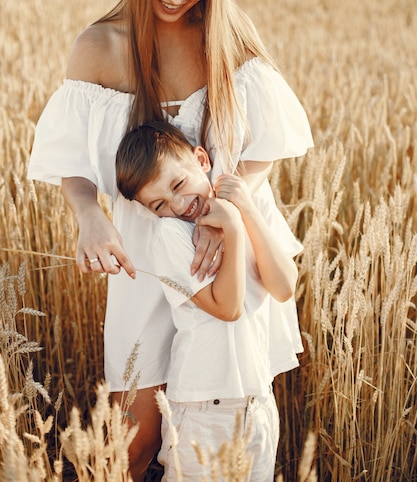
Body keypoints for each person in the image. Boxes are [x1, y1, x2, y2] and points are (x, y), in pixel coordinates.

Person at [27, 0, 313, 480]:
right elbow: (71, 161)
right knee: (131, 442)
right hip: (145, 259)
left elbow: (264, 149)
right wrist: (91, 214)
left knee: (222, 429)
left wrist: (228, 211)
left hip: (223, 252)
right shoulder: (99, 47)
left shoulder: (229, 37)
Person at [115, 121, 302, 480]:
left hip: (257, 400)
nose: (179, 204)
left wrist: (244, 212)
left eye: (178, 185)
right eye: (160, 204)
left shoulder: (249, 205)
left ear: (201, 159)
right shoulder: (170, 235)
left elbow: (283, 287)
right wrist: (231, 226)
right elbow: (227, 308)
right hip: (202, 407)